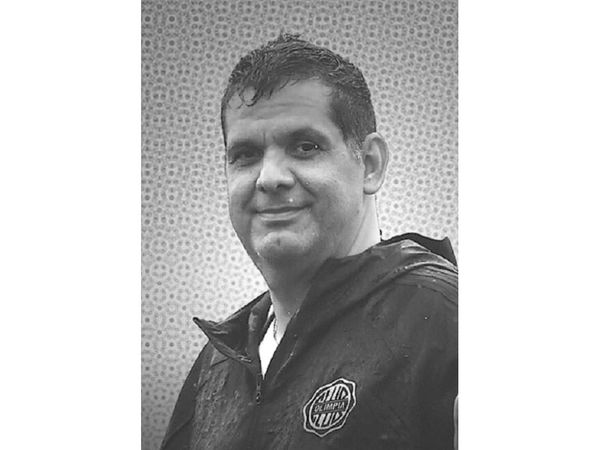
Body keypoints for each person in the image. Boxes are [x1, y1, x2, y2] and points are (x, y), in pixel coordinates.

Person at [160, 33, 458, 450]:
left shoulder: (448, 319)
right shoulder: (216, 365)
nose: (269, 178)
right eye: (245, 155)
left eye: (304, 147)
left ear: (370, 164)